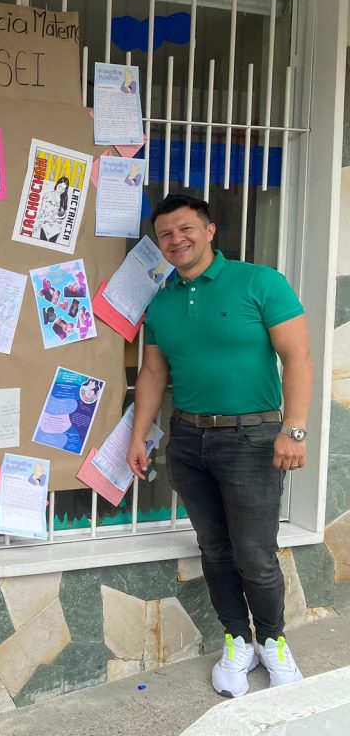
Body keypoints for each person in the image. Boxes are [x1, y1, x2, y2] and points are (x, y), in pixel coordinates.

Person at [126, 193, 313, 698]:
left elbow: (297, 358)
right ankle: (237, 639)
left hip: (252, 438)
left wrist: (293, 429)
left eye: (185, 229)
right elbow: (151, 374)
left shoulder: (259, 282)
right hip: (188, 439)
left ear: (209, 231)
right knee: (215, 548)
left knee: (255, 553)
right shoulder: (162, 301)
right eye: (165, 234)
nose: (176, 240)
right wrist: (138, 435)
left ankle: (272, 641)